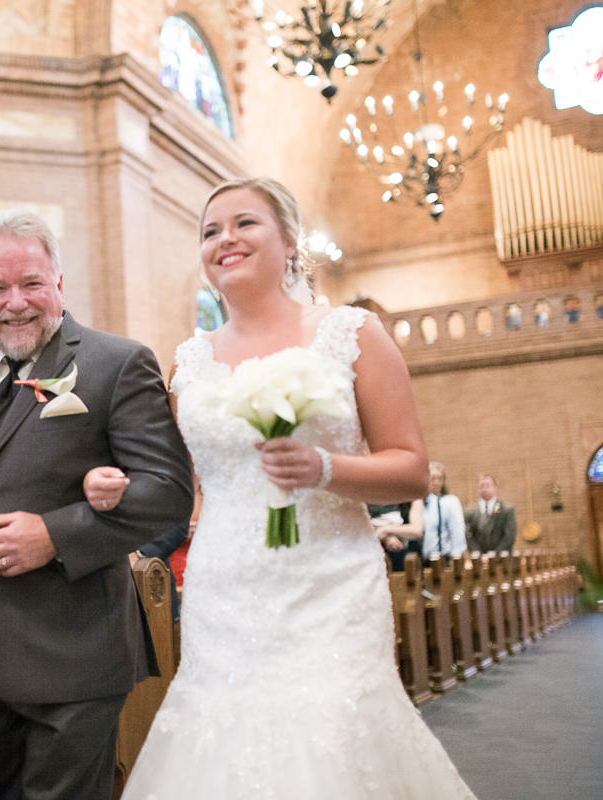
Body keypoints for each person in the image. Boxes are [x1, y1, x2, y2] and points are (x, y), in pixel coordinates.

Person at [109, 178, 475, 798]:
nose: (225, 238)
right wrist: (115, 485)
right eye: (209, 230)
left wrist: (326, 468)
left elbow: (411, 467)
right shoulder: (189, 362)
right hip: (224, 588)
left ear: (289, 241)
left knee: (333, 736)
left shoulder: (352, 334)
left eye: (244, 223)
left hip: (330, 583)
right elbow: (175, 484)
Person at [0, 211, 193, 800]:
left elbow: (168, 492)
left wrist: (55, 535)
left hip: (72, 650)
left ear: (59, 286)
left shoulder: (115, 364)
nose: (15, 302)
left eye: (31, 283)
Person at [422, 461, 467, 559]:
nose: (437, 483)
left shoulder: (450, 501)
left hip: (443, 557)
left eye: (440, 479)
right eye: (433, 478)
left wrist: (457, 554)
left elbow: (457, 529)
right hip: (422, 558)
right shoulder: (420, 503)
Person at [465, 472, 518, 553]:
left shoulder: (506, 510)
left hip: (502, 560)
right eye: (481, 486)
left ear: (495, 487)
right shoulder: (469, 512)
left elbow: (509, 537)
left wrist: (494, 555)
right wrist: (478, 554)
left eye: (487, 485)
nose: (484, 489)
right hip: (478, 560)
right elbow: (467, 536)